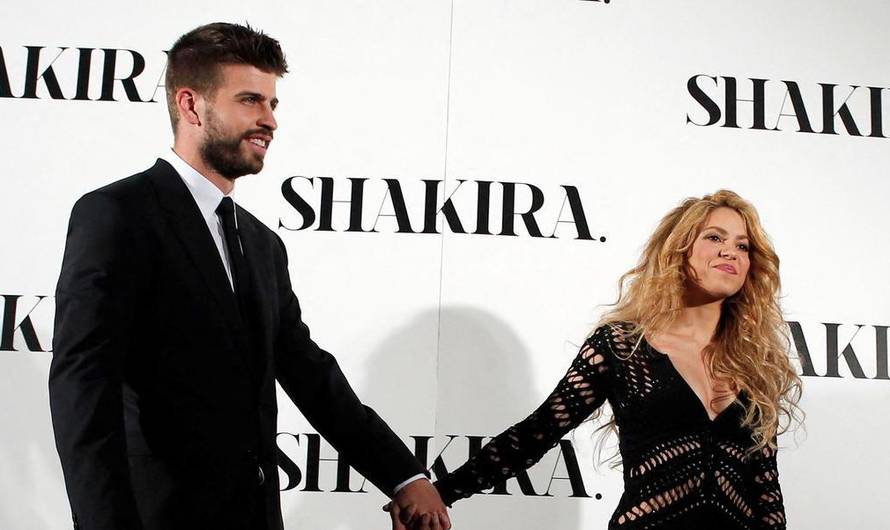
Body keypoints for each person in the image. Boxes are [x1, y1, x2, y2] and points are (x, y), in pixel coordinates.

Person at [48, 22, 449, 530]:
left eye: (273, 104)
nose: (269, 121)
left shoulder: (262, 244)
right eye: (249, 101)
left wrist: (404, 477)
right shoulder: (118, 213)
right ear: (190, 105)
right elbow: (84, 384)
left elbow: (307, 371)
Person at [394, 191, 801, 529]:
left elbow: (767, 491)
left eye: (743, 245)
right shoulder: (623, 345)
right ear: (679, 251)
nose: (731, 251)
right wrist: (440, 492)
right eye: (715, 237)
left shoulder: (754, 365)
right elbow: (540, 430)